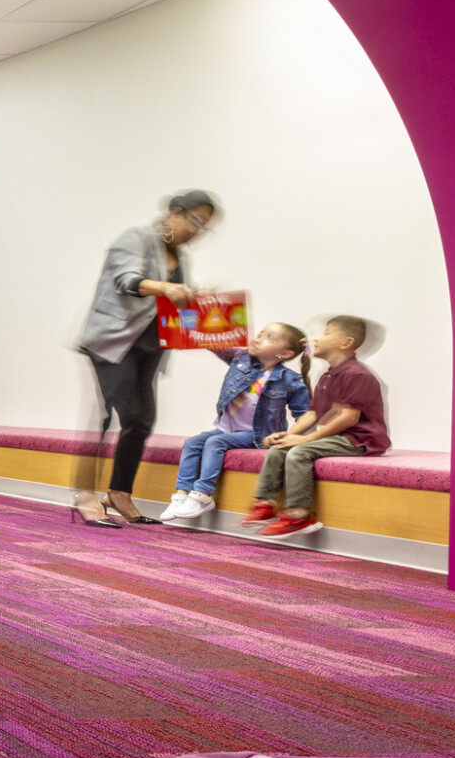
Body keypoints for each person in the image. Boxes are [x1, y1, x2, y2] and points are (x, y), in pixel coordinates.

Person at [72, 190, 219, 526]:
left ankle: (118, 494)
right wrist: (166, 288)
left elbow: (174, 302)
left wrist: (195, 297)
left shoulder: (180, 257)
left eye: (205, 227)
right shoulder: (137, 238)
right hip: (114, 341)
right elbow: (126, 280)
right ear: (174, 214)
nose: (197, 230)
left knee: (141, 420)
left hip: (150, 347)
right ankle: (84, 494)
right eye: (196, 220)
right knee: (110, 415)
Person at [242, 315, 389, 539]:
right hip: (338, 435)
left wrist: (304, 440)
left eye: (326, 332)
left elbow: (348, 418)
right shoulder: (328, 374)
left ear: (345, 342)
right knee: (279, 448)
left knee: (299, 453)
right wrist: (288, 434)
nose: (314, 338)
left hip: (359, 439)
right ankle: (264, 503)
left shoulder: (356, 374)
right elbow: (312, 414)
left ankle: (299, 515)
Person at [157, 323, 313, 525]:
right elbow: (215, 343)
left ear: (284, 353)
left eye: (269, 338)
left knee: (215, 443)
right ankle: (181, 495)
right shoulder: (240, 358)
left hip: (257, 435)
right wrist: (199, 319)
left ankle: (202, 496)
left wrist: (301, 440)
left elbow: (305, 414)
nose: (257, 339)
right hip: (226, 428)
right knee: (193, 443)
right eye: (260, 334)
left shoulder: (290, 380)